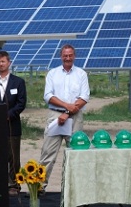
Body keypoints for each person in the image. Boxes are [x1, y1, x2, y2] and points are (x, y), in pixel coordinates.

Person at [38, 44, 90, 196]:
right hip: (55, 115)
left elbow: (84, 97)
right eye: (65, 55)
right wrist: (66, 106)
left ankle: (75, 188)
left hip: (75, 117)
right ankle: (39, 186)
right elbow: (48, 96)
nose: (68, 58)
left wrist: (67, 112)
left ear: (74, 56)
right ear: (61, 56)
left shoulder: (81, 74)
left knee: (75, 153)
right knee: (48, 152)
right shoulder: (53, 74)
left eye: (70, 55)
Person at [0, 51, 27, 197]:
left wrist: (8, 115)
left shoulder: (18, 82)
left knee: (13, 157)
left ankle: (14, 184)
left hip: (12, 125)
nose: (1, 64)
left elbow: (21, 103)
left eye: (3, 61)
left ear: (9, 63)